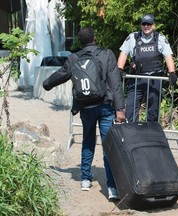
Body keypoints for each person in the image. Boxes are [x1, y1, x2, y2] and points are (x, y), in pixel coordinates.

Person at [43, 27, 125, 200]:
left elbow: (62, 74)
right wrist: (119, 109)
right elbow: (115, 82)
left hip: (86, 107)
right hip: (105, 106)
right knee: (108, 145)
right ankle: (111, 187)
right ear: (94, 38)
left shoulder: (74, 58)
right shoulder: (106, 54)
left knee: (88, 141)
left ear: (81, 41)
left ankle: (85, 179)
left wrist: (46, 84)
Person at [117, 14, 178, 122]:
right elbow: (123, 53)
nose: (146, 26)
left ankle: (151, 135)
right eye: (144, 24)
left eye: (149, 24)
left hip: (154, 79)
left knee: (153, 111)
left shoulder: (160, 38)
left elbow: (168, 56)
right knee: (130, 109)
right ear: (141, 25)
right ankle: (132, 134)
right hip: (136, 79)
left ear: (153, 25)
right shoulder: (133, 37)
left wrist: (172, 72)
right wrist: (120, 69)